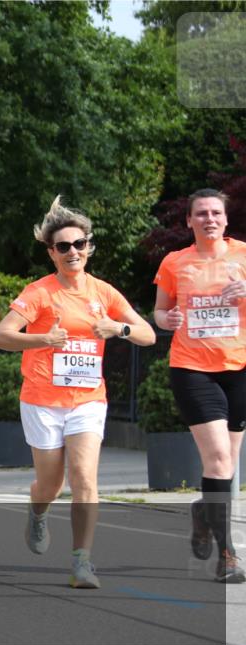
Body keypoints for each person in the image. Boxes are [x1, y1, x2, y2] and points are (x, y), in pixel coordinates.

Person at [0, 196, 155, 589]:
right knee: (51, 484)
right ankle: (38, 510)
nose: (72, 252)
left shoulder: (105, 293)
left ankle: (82, 561)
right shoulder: (39, 293)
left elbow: (148, 335)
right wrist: (43, 339)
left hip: (87, 400)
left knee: (84, 478)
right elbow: (0, 337)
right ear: (51, 253)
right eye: (63, 246)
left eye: (78, 244)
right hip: (42, 401)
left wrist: (120, 329)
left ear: (89, 247)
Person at [153, 188, 246, 584]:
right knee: (219, 461)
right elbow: (159, 311)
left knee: (229, 466)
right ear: (189, 221)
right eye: (201, 214)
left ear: (226, 220)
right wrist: (166, 320)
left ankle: (203, 512)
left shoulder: (244, 255)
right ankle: (228, 555)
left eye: (216, 213)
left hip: (239, 367)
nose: (210, 219)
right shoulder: (176, 262)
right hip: (192, 368)